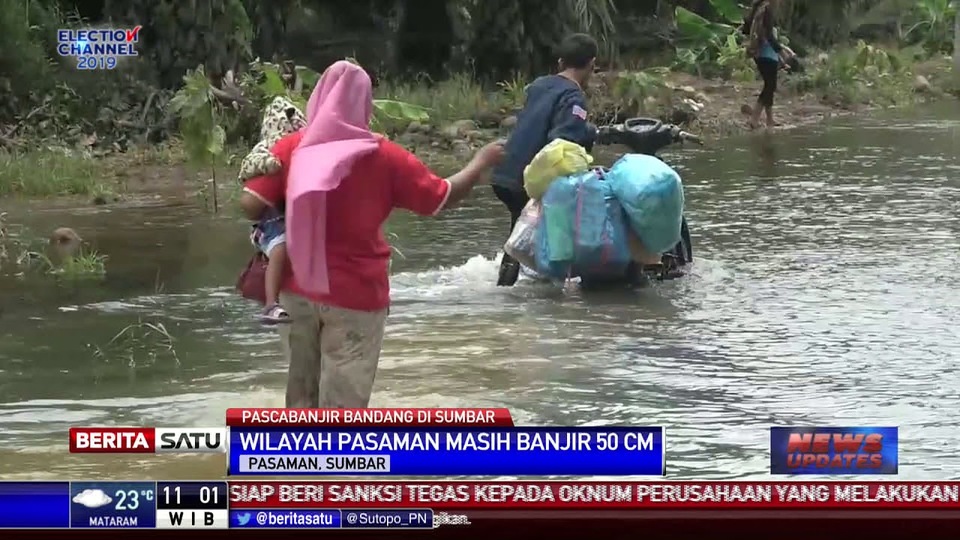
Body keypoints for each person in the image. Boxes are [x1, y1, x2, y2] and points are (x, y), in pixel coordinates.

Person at [239, 60, 504, 408]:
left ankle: (297, 460)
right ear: (365, 103)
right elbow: (441, 197)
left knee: (301, 401)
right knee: (344, 407)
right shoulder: (385, 156)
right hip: (356, 295)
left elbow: (250, 205)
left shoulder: (290, 148)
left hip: (295, 293)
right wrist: (479, 163)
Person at [491, 33, 601, 287]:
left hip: (504, 173)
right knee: (548, 241)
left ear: (561, 62)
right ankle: (536, 300)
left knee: (519, 237)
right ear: (592, 64)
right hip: (528, 180)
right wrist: (589, 134)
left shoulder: (539, 85)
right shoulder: (574, 97)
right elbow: (562, 145)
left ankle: (510, 291)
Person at [742, 0, 793, 129]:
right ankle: (754, 118)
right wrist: (781, 51)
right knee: (770, 86)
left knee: (769, 86)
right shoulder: (767, 10)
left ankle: (769, 119)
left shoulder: (758, 9)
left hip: (759, 53)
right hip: (767, 53)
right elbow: (769, 35)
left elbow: (746, 29)